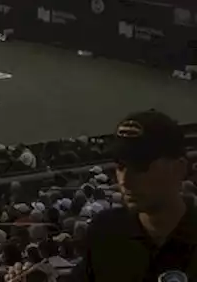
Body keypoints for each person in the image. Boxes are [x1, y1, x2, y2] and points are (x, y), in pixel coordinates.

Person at [76, 109, 197, 280]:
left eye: (140, 167)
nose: (125, 180)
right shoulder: (104, 232)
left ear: (179, 168)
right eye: (120, 166)